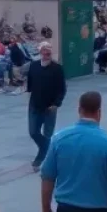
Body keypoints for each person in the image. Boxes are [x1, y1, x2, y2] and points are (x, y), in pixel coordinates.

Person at [27, 41, 66, 171]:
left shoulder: (57, 68)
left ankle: (40, 159)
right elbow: (30, 85)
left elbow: (62, 89)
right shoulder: (33, 66)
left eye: (49, 51)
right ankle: (48, 149)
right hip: (35, 106)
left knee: (48, 133)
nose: (47, 53)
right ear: (40, 52)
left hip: (50, 108)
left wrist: (56, 104)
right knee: (33, 132)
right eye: (44, 51)